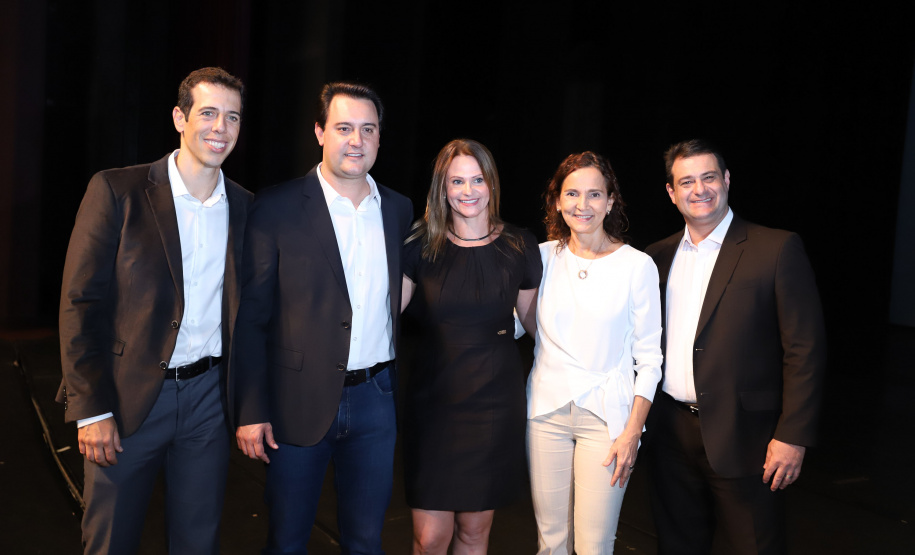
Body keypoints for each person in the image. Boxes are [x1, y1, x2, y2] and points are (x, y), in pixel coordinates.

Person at [57, 67, 252, 554]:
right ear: (179, 118)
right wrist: (91, 410)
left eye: (232, 117)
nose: (220, 128)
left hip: (209, 400)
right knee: (110, 542)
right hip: (124, 401)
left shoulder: (247, 207)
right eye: (207, 113)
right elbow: (79, 303)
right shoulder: (117, 191)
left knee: (197, 542)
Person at [233, 82, 413, 554]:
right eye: (344, 127)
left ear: (379, 138)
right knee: (288, 540)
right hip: (295, 402)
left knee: (366, 540)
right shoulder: (275, 207)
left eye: (367, 129)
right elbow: (251, 317)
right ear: (319, 132)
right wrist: (251, 410)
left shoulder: (397, 209)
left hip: (377, 400)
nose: (356, 140)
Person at [644, 139, 827, 554]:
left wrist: (792, 435)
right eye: (686, 181)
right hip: (669, 434)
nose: (699, 189)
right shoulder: (655, 258)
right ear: (671, 193)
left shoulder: (776, 248)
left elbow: (805, 349)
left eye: (709, 177)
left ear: (726, 180)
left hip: (749, 439)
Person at [400, 138, 541, 554]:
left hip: (494, 404)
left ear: (491, 184)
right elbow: (382, 313)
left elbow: (538, 326)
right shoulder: (418, 245)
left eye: (477, 179)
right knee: (429, 539)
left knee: (474, 534)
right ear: (442, 188)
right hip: (434, 404)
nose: (468, 190)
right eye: (457, 181)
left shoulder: (519, 245)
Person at [525, 152, 663, 554]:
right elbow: (516, 323)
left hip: (607, 422)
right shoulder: (541, 257)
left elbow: (650, 359)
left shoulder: (636, 266)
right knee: (550, 542)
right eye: (572, 193)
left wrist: (632, 432)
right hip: (545, 414)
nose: (582, 205)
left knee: (594, 545)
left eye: (594, 194)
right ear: (556, 200)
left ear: (610, 201)